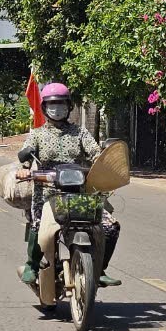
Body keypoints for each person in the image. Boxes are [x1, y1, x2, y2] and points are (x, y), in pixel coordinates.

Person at [15, 82, 121, 287]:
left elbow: (96, 155)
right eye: (53, 103)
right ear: (45, 107)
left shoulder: (80, 133)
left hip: (79, 193)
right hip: (47, 193)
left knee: (110, 226)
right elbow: (25, 156)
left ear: (69, 106)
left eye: (62, 103)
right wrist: (24, 169)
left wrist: (107, 166)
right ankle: (32, 265)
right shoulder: (37, 134)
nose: (57, 107)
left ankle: (99, 269)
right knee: (39, 225)